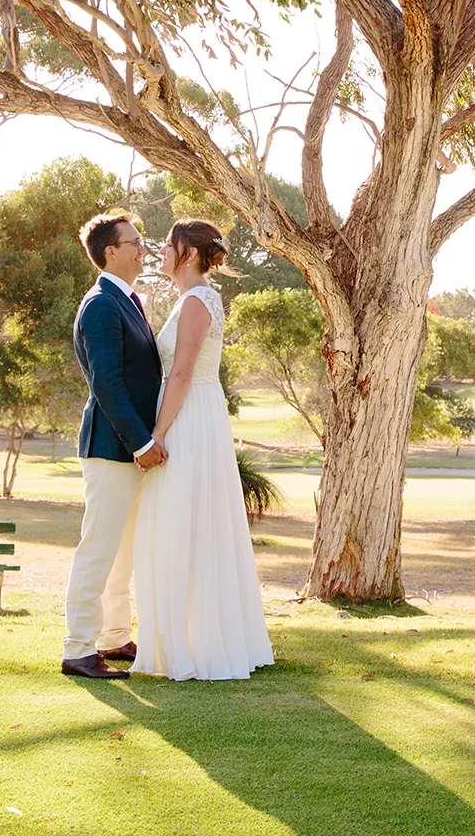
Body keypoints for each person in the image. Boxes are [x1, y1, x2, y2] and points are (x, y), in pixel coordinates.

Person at [131, 219, 274, 680]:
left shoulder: (196, 301)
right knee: (186, 523)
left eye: (167, 247)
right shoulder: (191, 300)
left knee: (184, 522)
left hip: (189, 419)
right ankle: (191, 637)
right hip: (193, 413)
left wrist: (156, 434)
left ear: (188, 253)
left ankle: (198, 645)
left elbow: (182, 375)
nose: (159, 254)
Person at [61, 210, 166, 681]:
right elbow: (108, 383)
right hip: (112, 448)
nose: (143, 249)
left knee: (123, 551)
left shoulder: (129, 300)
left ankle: (114, 638)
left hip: (131, 450)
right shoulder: (101, 304)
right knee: (98, 549)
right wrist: (142, 442)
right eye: (135, 242)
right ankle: (78, 649)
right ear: (111, 251)